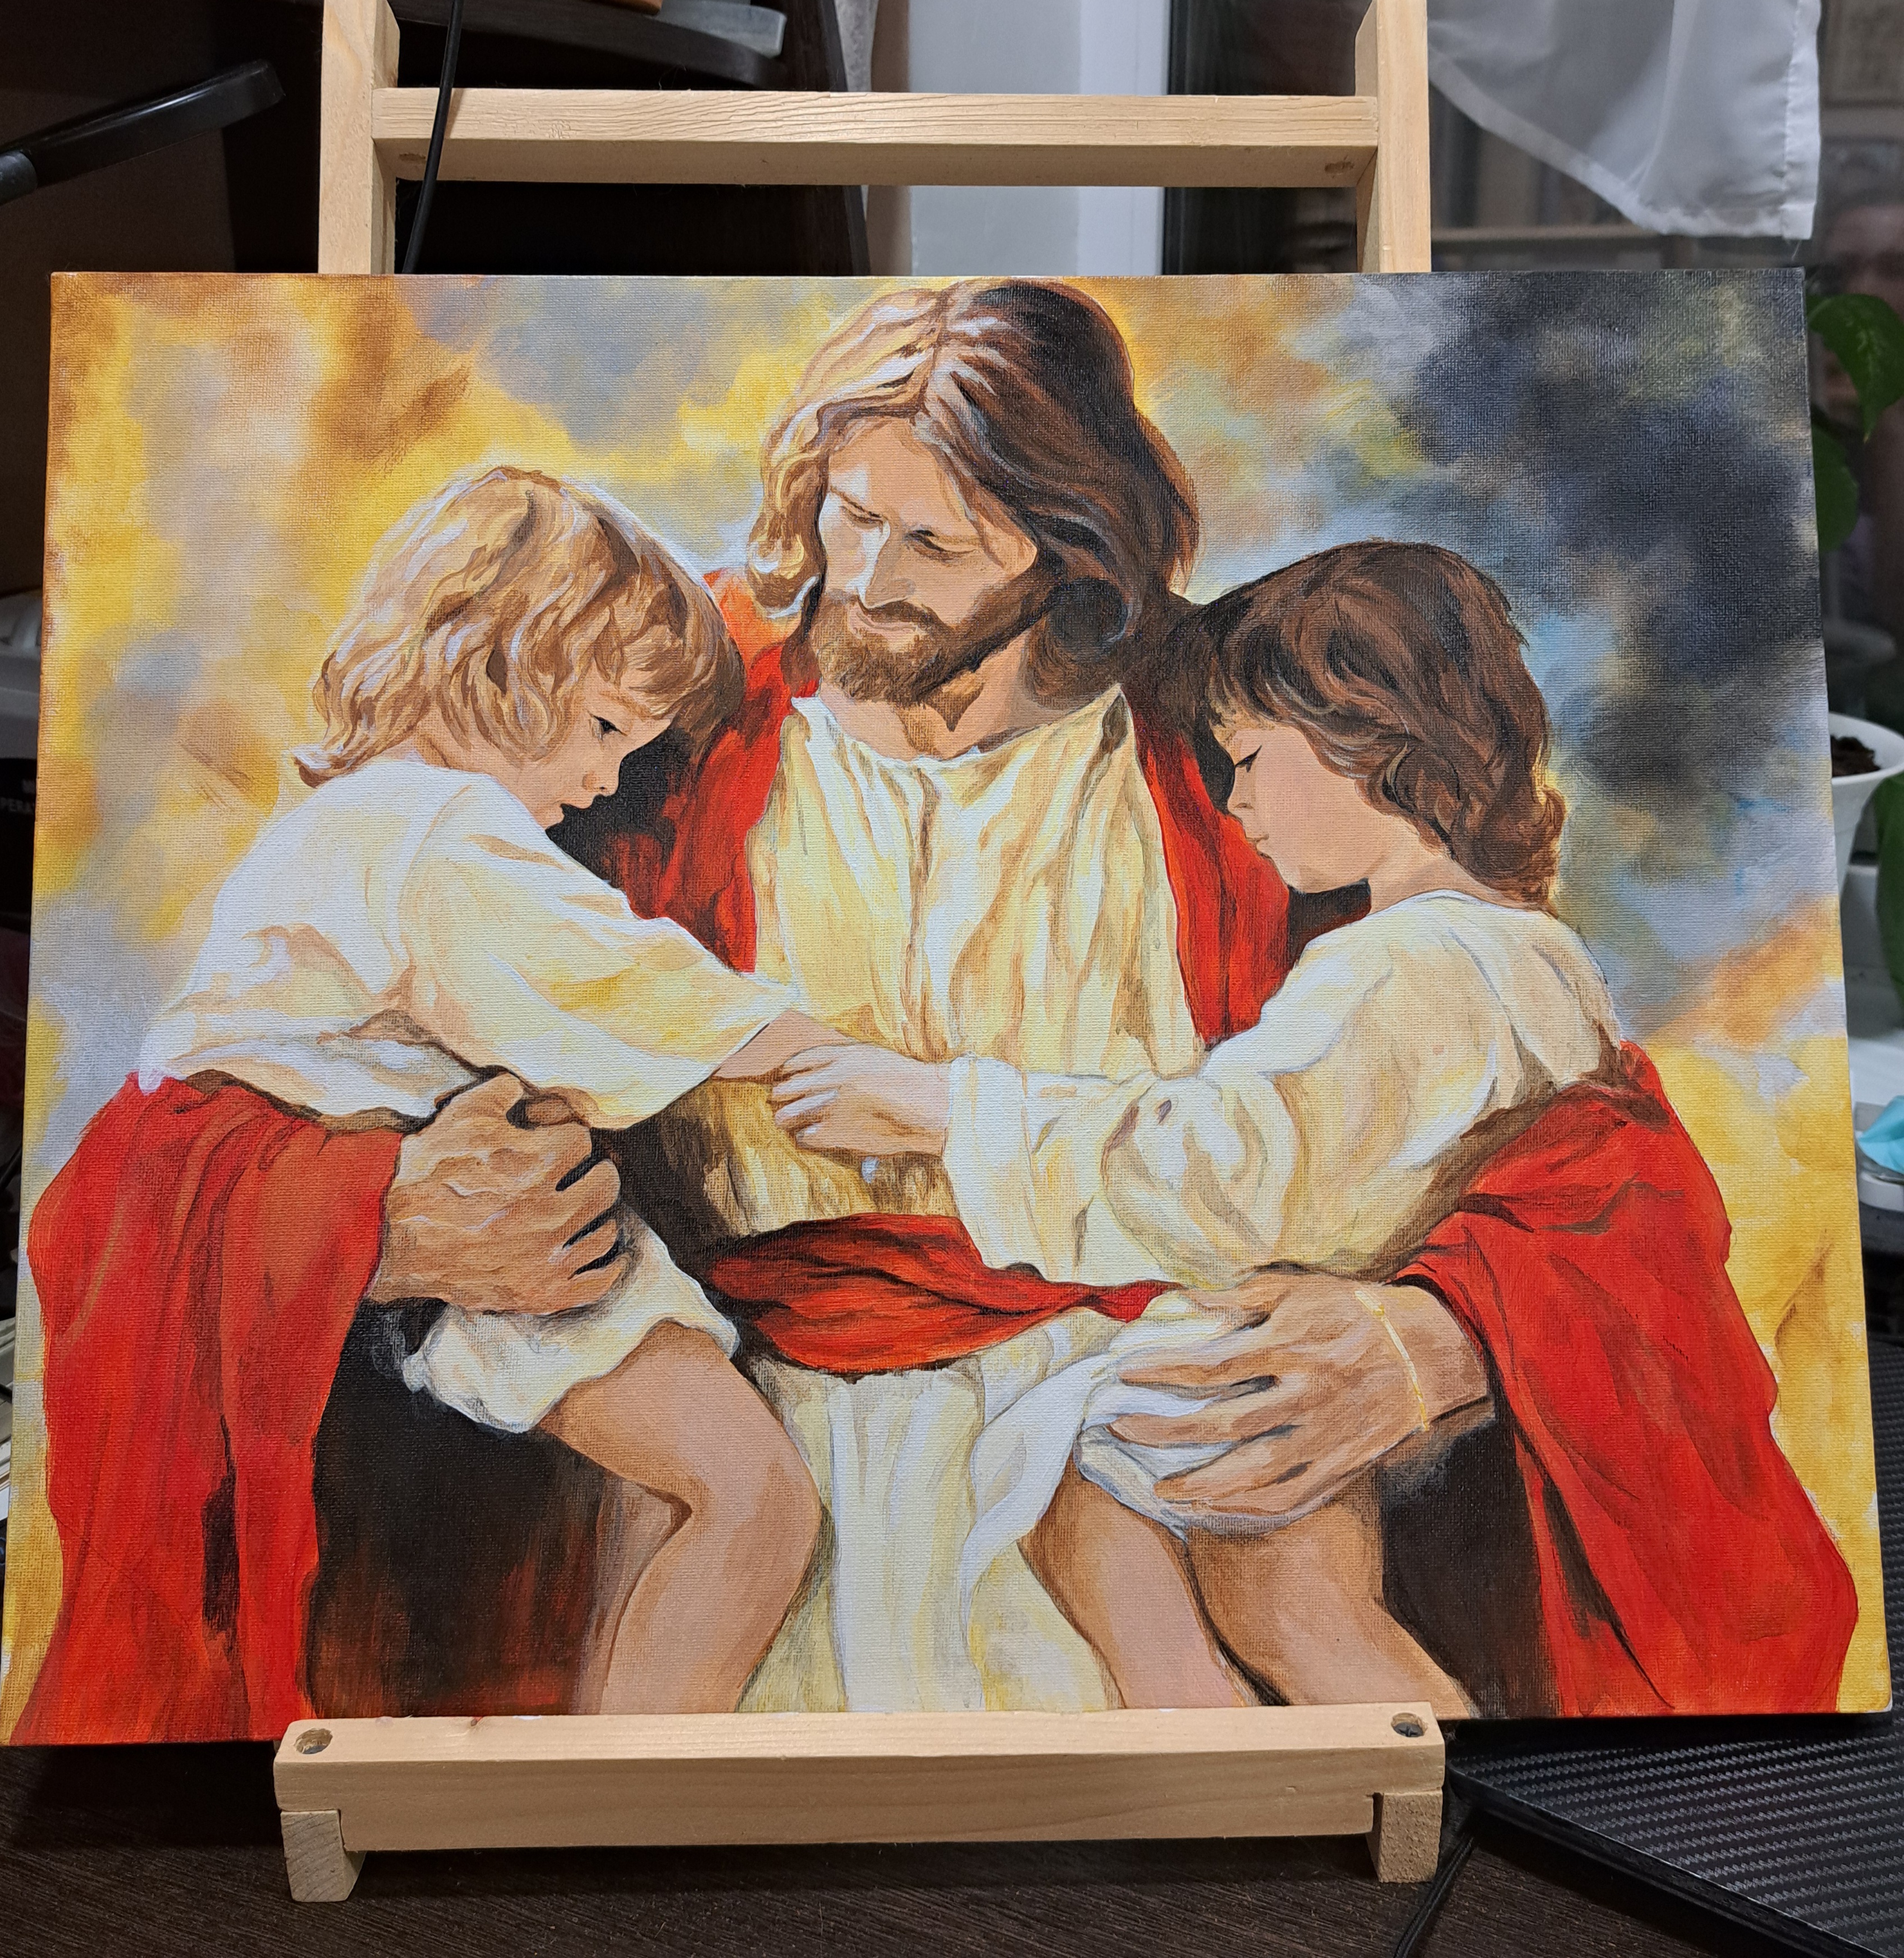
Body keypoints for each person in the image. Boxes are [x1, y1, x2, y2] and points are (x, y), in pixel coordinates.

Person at [579, 281, 1857, 1717]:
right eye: (849, 514)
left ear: (1062, 545)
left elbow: (1580, 1159)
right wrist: (442, 1186)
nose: (866, 581)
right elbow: (430, 979)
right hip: (761, 1486)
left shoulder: (1251, 742)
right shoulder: (659, 714)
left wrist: (1438, 1340)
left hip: (1168, 1448)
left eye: (936, 544)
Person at [21, 466, 830, 1735]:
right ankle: (639, 1777)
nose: (608, 780)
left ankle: (618, 1746)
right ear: (502, 664)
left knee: (669, 1495)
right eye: (604, 727)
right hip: (429, 1214)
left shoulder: (348, 823)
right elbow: (616, 987)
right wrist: (820, 1053)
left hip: (394, 1217)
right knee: (751, 1497)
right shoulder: (431, 830)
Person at [768, 540, 1631, 1717]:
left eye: (1252, 759)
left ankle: (1204, 1731)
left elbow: (1220, 1168)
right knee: (1290, 1608)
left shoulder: (1403, 968)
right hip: (1371, 1355)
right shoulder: (1538, 960)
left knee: (1083, 1483)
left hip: (1295, 1353)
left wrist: (950, 1112)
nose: (1235, 804)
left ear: (1366, 740)